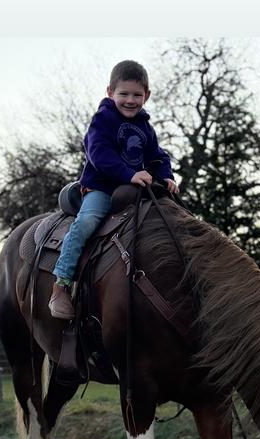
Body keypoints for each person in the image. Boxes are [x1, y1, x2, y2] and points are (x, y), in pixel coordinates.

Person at [48, 59, 179, 319]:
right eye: (123, 94)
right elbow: (98, 153)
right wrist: (129, 174)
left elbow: (158, 156)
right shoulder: (103, 119)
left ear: (147, 95)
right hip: (102, 189)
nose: (130, 100)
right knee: (86, 223)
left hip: (133, 191)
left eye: (137, 95)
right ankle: (60, 285)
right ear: (110, 92)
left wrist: (166, 177)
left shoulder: (145, 126)